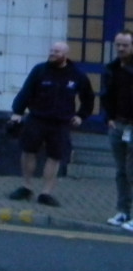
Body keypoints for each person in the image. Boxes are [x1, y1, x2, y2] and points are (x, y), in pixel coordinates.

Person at [8, 40, 95, 207]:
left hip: (60, 123)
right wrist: (17, 113)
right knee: (28, 151)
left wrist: (81, 116)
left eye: (57, 52)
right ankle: (26, 187)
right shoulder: (39, 70)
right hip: (37, 118)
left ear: (65, 55)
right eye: (51, 51)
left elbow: (88, 98)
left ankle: (45, 193)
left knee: (54, 157)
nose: (52, 54)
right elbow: (26, 91)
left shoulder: (77, 75)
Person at [100, 31, 133, 231]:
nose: (121, 49)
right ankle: (123, 211)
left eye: (125, 45)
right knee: (121, 171)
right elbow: (106, 95)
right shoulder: (112, 69)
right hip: (117, 125)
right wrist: (109, 118)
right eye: (118, 45)